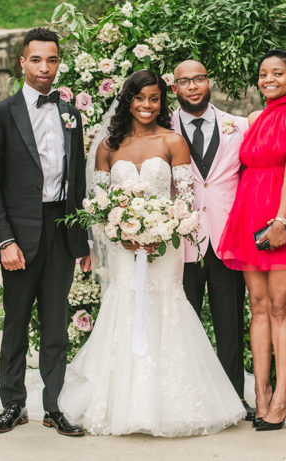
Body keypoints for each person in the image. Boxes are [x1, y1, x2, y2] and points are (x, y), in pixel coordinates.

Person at [57, 70, 246, 436]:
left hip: (164, 248)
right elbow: (97, 206)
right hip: (124, 251)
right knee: (125, 309)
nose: (147, 105)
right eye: (140, 97)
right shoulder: (108, 147)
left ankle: (171, 404)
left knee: (166, 311)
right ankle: (121, 403)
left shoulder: (173, 141)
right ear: (128, 100)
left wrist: (163, 232)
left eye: (154, 99)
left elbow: (186, 202)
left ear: (163, 101)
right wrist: (119, 234)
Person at [0, 28, 90, 436]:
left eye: (53, 60)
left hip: (60, 229)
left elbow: (76, 183)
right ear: (22, 63)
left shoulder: (70, 113)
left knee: (56, 324)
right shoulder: (0, 115)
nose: (46, 68)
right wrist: (4, 240)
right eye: (37, 60)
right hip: (19, 234)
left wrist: (82, 241)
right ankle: (12, 404)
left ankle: (54, 406)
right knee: (16, 322)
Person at [217, 49, 286, 431]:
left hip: (280, 216)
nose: (268, 79)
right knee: (256, 306)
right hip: (248, 216)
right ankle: (260, 391)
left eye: (278, 73)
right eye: (263, 73)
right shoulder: (255, 118)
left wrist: (281, 219)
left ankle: (282, 394)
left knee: (279, 306)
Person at [169, 60, 254, 421]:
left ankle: (233, 399)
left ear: (209, 82)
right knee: (178, 325)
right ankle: (180, 399)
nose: (192, 86)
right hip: (176, 245)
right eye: (184, 81)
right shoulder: (160, 127)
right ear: (174, 88)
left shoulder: (240, 126)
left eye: (198, 79)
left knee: (230, 323)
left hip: (227, 240)